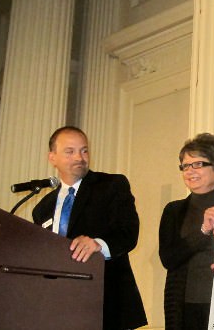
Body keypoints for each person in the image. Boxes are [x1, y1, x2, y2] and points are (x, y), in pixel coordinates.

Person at [32, 126, 147, 330]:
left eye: (84, 150)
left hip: (104, 303)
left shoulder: (111, 185)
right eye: (70, 151)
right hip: (57, 307)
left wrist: (98, 244)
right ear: (52, 157)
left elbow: (128, 232)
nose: (80, 157)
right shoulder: (42, 208)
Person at [158, 133, 214, 330]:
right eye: (185, 166)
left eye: (198, 164)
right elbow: (168, 259)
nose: (190, 171)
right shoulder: (174, 210)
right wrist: (203, 230)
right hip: (183, 309)